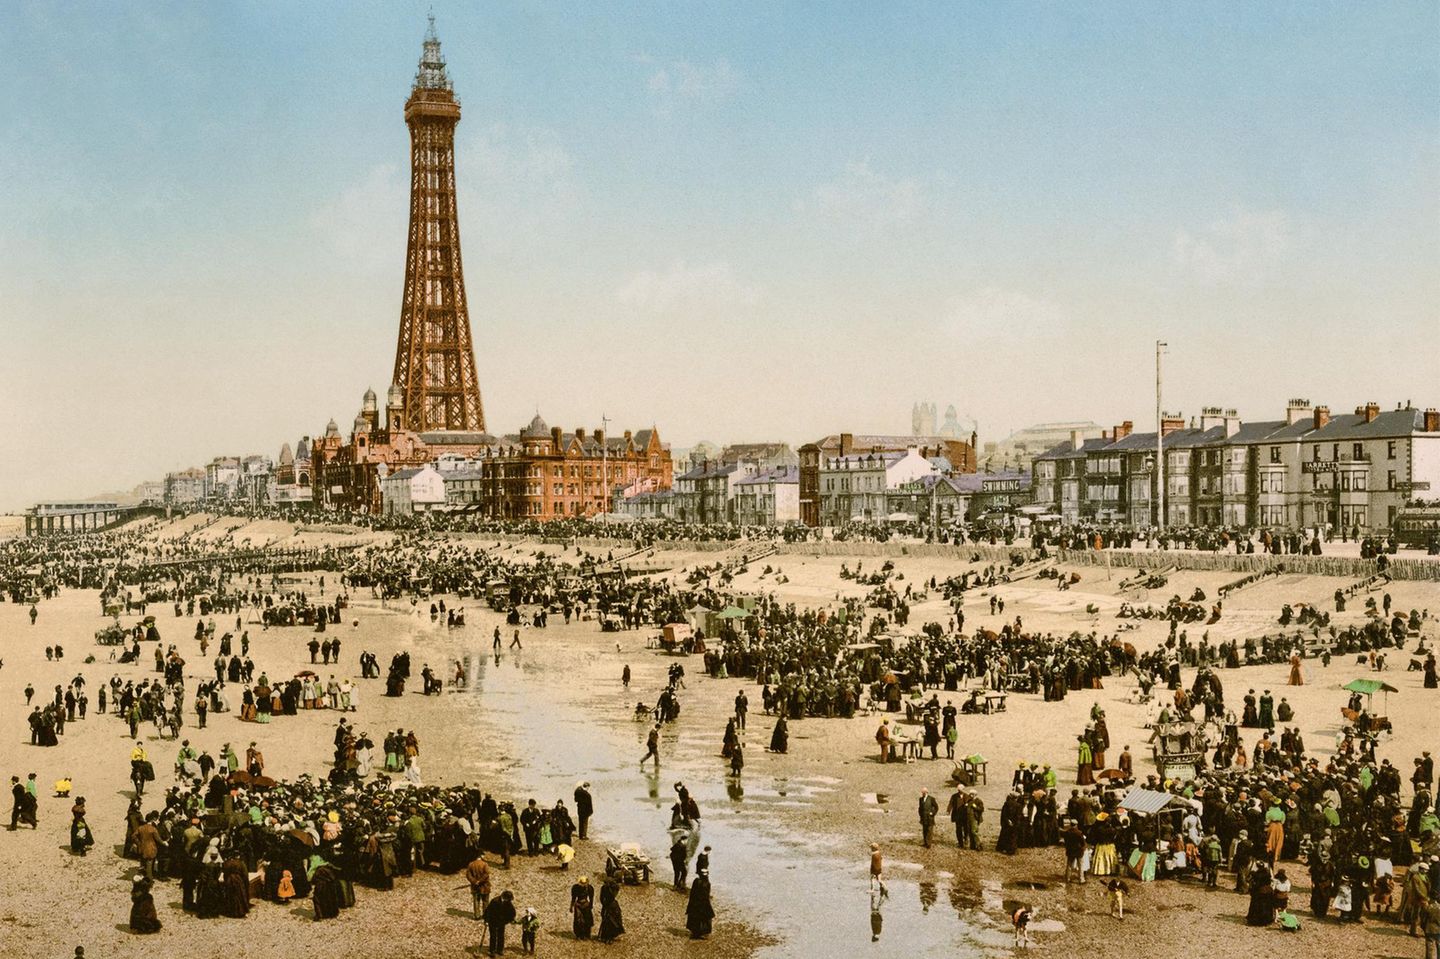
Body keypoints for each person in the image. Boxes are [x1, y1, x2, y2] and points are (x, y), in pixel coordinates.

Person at [484, 890, 517, 956]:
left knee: (501, 936)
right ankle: (492, 951)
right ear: (504, 897)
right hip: (492, 921)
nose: (509, 900)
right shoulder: (494, 901)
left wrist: (509, 920)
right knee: (493, 936)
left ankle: (500, 950)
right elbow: (488, 911)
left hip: (501, 922)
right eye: (508, 899)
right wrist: (486, 921)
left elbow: (512, 912)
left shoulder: (508, 902)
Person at [686, 869, 714, 939]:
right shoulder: (707, 883)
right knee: (705, 917)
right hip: (704, 903)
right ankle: (703, 932)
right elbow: (706, 896)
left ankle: (695, 932)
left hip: (695, 903)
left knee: (695, 917)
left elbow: (692, 893)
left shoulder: (696, 881)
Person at [598, 878, 625, 943]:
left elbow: (602, 898)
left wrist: (604, 905)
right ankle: (609, 937)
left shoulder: (607, 888)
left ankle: (607, 937)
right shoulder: (610, 888)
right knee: (611, 922)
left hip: (609, 906)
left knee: (608, 922)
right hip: (611, 906)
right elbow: (602, 898)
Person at [467, 853, 491, 920]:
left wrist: (474, 881)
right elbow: (486, 874)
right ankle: (485, 915)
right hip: (484, 886)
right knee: (485, 901)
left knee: (476, 901)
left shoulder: (471, 864)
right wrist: (480, 881)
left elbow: (468, 875)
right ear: (481, 856)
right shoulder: (484, 864)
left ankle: (477, 915)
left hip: (475, 886)